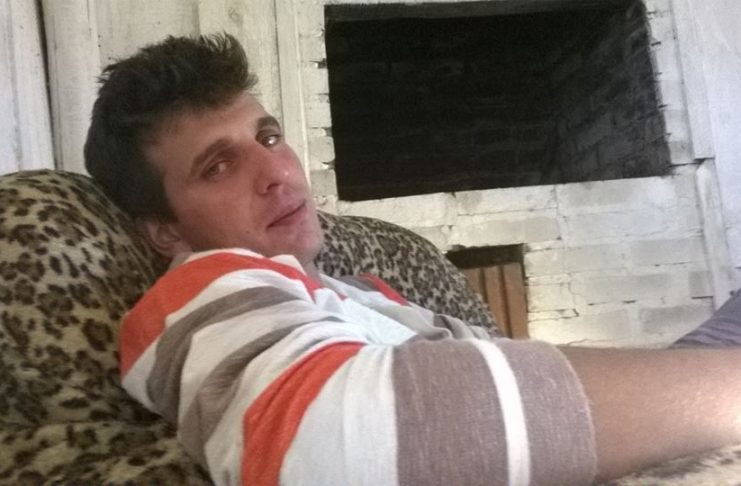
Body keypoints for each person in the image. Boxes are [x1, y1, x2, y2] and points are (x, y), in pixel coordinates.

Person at [85, 33, 741, 485]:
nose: (277, 173)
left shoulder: (354, 292)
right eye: (218, 166)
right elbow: (334, 443)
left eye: (269, 137)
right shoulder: (198, 293)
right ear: (164, 231)